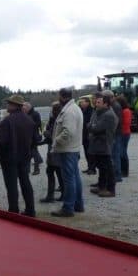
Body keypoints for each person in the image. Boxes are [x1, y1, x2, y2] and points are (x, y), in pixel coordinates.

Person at [0, 95, 37, 216]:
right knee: (25, 182)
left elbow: (2, 142)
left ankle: (13, 211)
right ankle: (30, 210)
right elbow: (35, 140)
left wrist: (0, 155)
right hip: (25, 157)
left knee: (11, 185)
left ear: (14, 105)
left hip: (9, 158)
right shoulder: (29, 120)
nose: (7, 105)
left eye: (9, 103)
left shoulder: (6, 121)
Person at [51, 88, 84, 217]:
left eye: (59, 96)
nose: (58, 99)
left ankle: (68, 208)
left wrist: (56, 142)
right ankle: (78, 205)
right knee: (75, 177)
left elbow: (68, 132)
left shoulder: (69, 111)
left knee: (69, 179)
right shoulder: (73, 108)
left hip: (67, 149)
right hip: (72, 149)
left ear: (62, 97)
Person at [88, 94, 118, 198]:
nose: (96, 104)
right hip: (99, 145)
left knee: (108, 168)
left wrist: (92, 127)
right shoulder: (100, 112)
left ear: (105, 104)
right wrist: (92, 126)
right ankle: (101, 187)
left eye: (98, 102)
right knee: (102, 167)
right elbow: (91, 125)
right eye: (96, 102)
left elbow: (96, 128)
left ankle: (111, 190)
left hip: (104, 145)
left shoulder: (108, 115)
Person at [39, 101, 64, 203]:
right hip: (53, 150)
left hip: (56, 150)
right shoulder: (54, 119)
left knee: (55, 172)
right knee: (53, 172)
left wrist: (46, 133)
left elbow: (54, 135)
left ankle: (54, 195)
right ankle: (56, 194)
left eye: (52, 109)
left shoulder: (59, 120)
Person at [103, 89, 123, 182]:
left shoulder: (115, 106)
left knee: (115, 155)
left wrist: (110, 133)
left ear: (109, 97)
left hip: (115, 134)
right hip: (115, 134)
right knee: (114, 155)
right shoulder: (113, 105)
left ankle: (117, 175)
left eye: (104, 98)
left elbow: (116, 122)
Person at [22, 102, 43, 175]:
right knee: (30, 153)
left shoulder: (35, 114)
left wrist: (30, 125)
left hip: (34, 136)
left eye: (24, 108)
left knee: (34, 153)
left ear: (28, 107)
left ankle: (36, 169)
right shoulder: (25, 114)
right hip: (27, 136)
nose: (23, 110)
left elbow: (39, 124)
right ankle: (27, 170)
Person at [79, 97, 96, 174]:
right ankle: (89, 167)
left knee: (90, 153)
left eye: (82, 102)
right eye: (80, 102)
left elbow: (90, 123)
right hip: (84, 135)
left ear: (87, 103)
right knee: (86, 152)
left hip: (89, 135)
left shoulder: (91, 111)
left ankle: (92, 168)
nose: (81, 103)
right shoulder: (82, 110)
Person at [117, 95, 132, 177]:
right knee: (121, 152)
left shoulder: (126, 111)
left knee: (123, 152)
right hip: (123, 133)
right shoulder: (123, 110)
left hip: (124, 133)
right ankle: (123, 170)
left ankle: (125, 171)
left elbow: (126, 123)